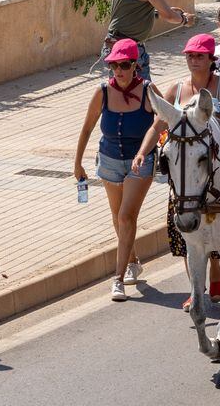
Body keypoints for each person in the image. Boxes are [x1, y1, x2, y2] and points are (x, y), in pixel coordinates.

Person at [136, 32, 220, 310]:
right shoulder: (175, 91)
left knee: (218, 228)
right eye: (190, 56)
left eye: (199, 56)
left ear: (211, 59)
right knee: (186, 235)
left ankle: (216, 272)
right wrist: (142, 152)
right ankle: (196, 290)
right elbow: (157, 126)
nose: (194, 60)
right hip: (186, 176)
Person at [74, 39, 159, 302]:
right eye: (113, 65)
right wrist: (77, 163)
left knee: (125, 217)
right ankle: (133, 261)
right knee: (116, 217)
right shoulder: (102, 92)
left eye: (124, 65)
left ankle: (118, 279)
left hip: (139, 162)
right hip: (109, 160)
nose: (118, 71)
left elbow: (163, 121)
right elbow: (87, 127)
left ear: (136, 65)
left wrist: (145, 151)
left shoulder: (148, 90)